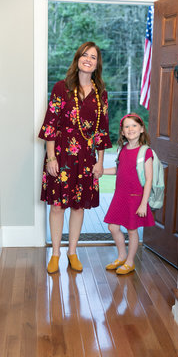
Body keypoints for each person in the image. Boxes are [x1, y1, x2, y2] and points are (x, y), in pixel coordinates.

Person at [39, 41, 112, 274]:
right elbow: (50, 124)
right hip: (60, 154)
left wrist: (100, 162)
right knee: (58, 206)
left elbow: (102, 131)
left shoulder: (101, 94)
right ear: (78, 59)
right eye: (84, 55)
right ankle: (56, 253)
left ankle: (72, 252)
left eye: (93, 56)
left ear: (97, 64)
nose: (88, 59)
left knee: (78, 207)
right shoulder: (61, 88)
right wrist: (51, 158)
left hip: (86, 157)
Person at [103, 113, 155, 275]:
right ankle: (121, 256)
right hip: (120, 196)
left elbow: (148, 180)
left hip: (136, 198)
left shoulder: (145, 152)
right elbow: (119, 171)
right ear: (123, 132)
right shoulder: (122, 149)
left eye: (134, 125)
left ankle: (130, 262)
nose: (130, 129)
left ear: (141, 129)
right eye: (127, 126)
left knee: (132, 230)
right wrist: (100, 171)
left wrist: (143, 203)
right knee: (113, 226)